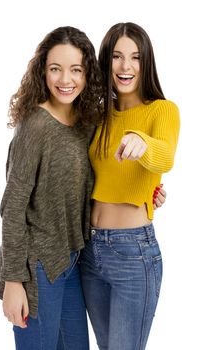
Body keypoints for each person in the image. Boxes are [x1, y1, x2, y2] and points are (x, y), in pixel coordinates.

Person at [0, 26, 103, 350]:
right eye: (56, 69)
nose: (65, 79)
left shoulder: (85, 123)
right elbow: (12, 208)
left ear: (87, 74)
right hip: (35, 267)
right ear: (43, 71)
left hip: (70, 263)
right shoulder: (35, 126)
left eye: (75, 70)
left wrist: (148, 192)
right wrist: (14, 281)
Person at [79, 22, 180, 350]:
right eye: (117, 57)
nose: (125, 66)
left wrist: (143, 143)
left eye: (135, 57)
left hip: (132, 254)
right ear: (105, 62)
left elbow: (164, 155)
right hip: (90, 252)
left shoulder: (162, 110)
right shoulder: (98, 117)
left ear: (146, 63)